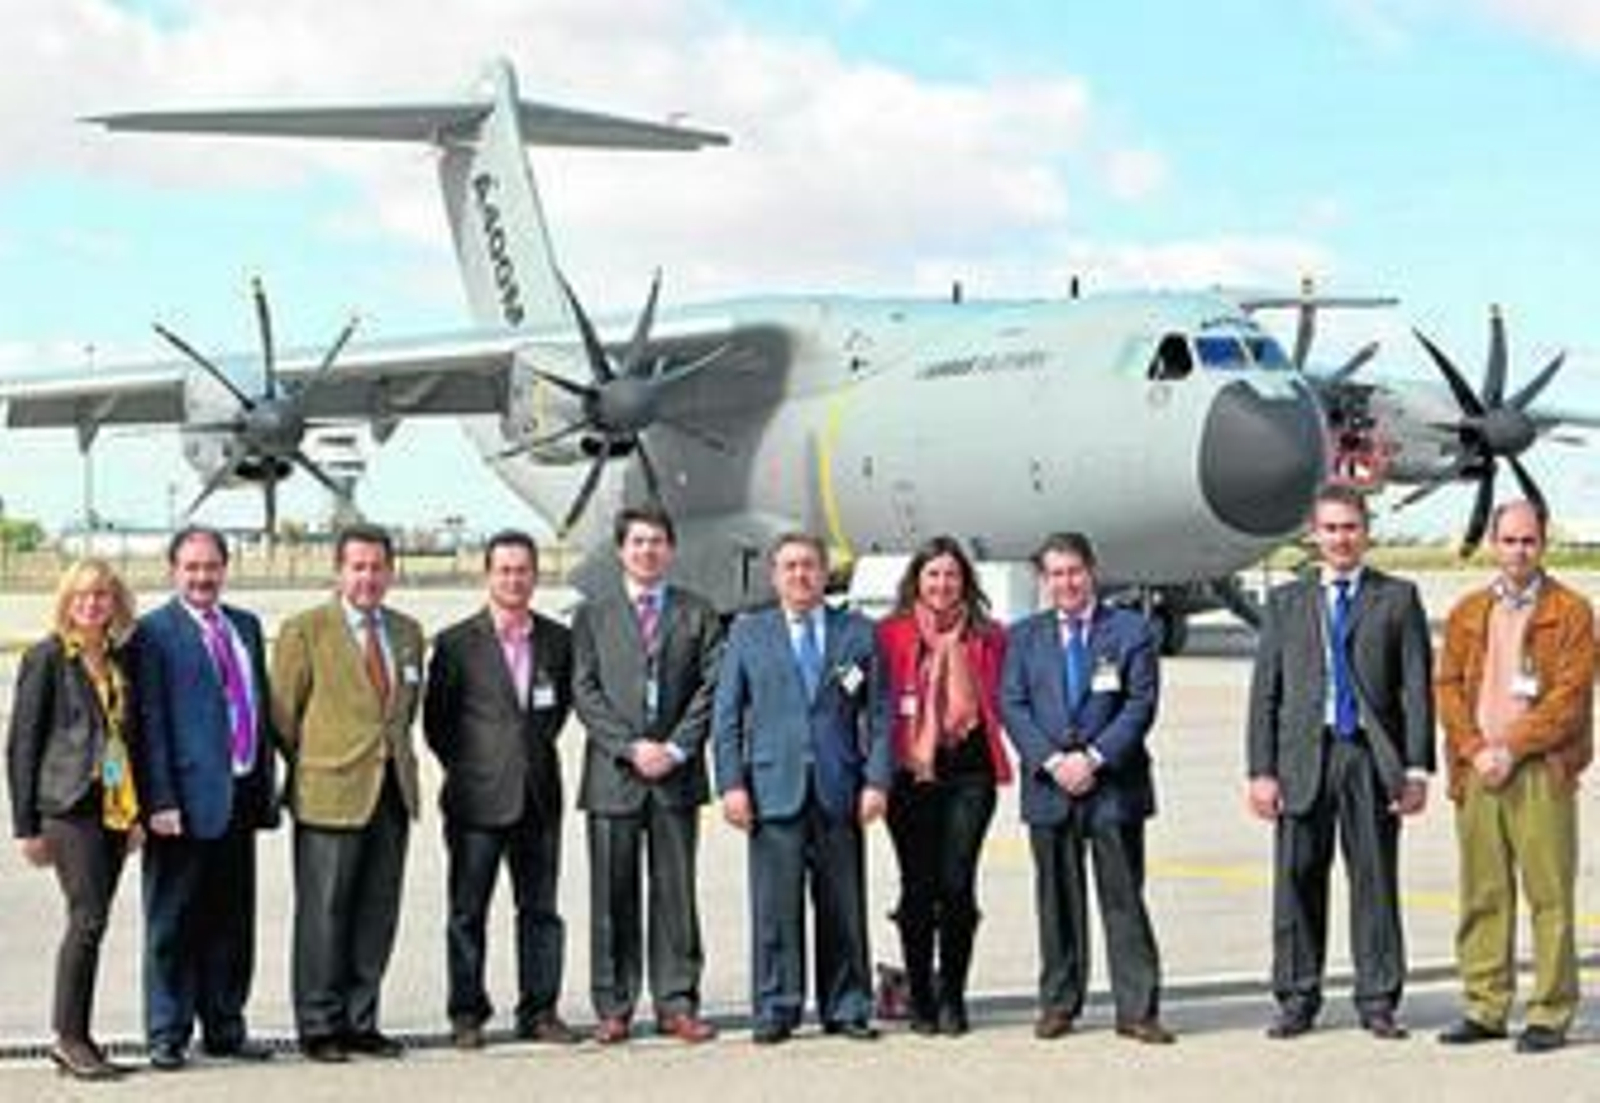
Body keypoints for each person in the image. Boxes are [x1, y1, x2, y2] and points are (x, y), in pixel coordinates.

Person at [1246, 485, 1434, 1040]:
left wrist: (1416, 768)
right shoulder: (1286, 603)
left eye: (1350, 527)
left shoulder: (1397, 598)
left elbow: (1415, 690)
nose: (1341, 538)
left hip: (1368, 757)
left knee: (1374, 879)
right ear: (1314, 535)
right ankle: (1298, 996)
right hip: (1304, 755)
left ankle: (1377, 997)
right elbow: (1266, 694)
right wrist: (1260, 770)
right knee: (1297, 878)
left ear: (1366, 532)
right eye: (1330, 528)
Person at [711, 532, 890, 1045]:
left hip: (840, 788)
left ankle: (848, 1006)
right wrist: (731, 785)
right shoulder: (749, 634)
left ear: (824, 573)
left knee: (842, 906)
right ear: (774, 575)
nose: (800, 576)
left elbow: (878, 717)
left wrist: (876, 780)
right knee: (775, 908)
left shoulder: (857, 633)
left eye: (809, 566)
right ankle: (776, 1007)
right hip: (772, 789)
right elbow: (727, 718)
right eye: (789, 567)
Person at [1434, 500, 1594, 1054]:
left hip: (1540, 772)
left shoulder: (1571, 613)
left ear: (1543, 543)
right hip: (1478, 772)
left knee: (1549, 895)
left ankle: (1550, 1011)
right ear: (1493, 545)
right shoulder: (1467, 612)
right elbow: (1448, 687)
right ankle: (1484, 1005)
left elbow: (1569, 700)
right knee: (1483, 892)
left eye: (1528, 541)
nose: (1518, 551)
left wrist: (1512, 747)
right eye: (1509, 541)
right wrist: (1475, 748)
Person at [1001, 532, 1172, 1045]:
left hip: (1113, 784)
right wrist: (1054, 761)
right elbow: (1012, 705)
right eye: (1056, 574)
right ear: (1044, 580)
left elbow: (1140, 705)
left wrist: (1094, 759)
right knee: (1057, 901)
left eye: (1074, 571)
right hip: (1049, 786)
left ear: (1091, 571)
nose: (1066, 583)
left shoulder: (1130, 630)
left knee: (1123, 899)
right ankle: (1059, 1003)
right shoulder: (1024, 636)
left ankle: (1137, 1009)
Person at [271, 524, 426, 1063]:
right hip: (329, 792)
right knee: (324, 913)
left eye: (378, 567)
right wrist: (318, 764)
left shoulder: (408, 633)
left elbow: (405, 712)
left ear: (391, 571)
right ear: (339, 571)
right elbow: (284, 718)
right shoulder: (305, 630)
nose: (368, 578)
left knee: (376, 912)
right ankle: (318, 1024)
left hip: (390, 793)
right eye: (358, 567)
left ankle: (362, 1020)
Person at [572, 506, 723, 1045]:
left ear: (671, 549)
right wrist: (630, 746)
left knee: (675, 894)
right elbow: (584, 691)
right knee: (612, 896)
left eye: (657, 541)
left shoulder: (696, 612)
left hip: (675, 778)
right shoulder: (593, 614)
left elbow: (712, 687)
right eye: (637, 542)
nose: (647, 551)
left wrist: (678, 748)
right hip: (615, 776)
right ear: (621, 550)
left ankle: (676, 1001)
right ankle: (614, 1005)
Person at [424, 529, 577, 1050]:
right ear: (487, 575)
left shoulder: (558, 640)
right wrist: (477, 767)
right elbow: (437, 725)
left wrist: (523, 758)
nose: (514, 579)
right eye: (504, 570)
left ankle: (540, 1009)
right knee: (468, 911)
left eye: (523, 570)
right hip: (475, 800)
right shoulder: (455, 643)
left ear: (536, 575)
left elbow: (555, 714)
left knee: (540, 911)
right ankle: (467, 1013)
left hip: (537, 797)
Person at [133, 526, 278, 1070]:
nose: (202, 577)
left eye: (211, 566)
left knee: (231, 921)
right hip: (182, 804)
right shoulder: (153, 634)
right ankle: (167, 1032)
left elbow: (255, 706)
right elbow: (151, 724)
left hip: (238, 795)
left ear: (225, 568)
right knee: (172, 921)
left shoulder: (245, 626)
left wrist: (264, 787)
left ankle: (224, 1026)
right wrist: (160, 801)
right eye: (192, 567)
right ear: (173, 571)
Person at [6, 558, 142, 1080]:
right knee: (87, 918)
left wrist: (134, 813)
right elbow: (21, 744)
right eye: (82, 595)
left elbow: (126, 740)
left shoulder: (117, 659)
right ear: (67, 601)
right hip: (66, 807)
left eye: (102, 595)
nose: (92, 604)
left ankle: (79, 1035)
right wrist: (27, 826)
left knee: (93, 920)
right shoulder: (47, 658)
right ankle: (68, 1037)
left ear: (115, 603)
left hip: (112, 806)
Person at [877, 536, 1011, 1035]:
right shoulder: (888, 635)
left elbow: (1011, 698)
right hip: (909, 776)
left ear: (965, 583)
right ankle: (919, 995)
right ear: (917, 581)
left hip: (971, 775)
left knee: (957, 885)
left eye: (951, 575)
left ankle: (952, 993)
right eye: (932, 575)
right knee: (917, 887)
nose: (941, 584)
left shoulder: (990, 636)